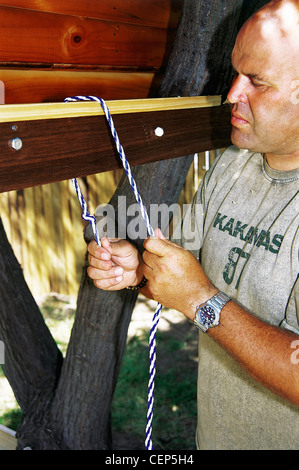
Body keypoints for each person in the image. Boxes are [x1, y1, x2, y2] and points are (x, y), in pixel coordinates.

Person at [87, 0, 299, 450]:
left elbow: (197, 291)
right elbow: (184, 270)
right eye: (236, 73)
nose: (231, 94)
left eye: (256, 82)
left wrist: (202, 299)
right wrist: (137, 270)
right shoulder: (234, 164)